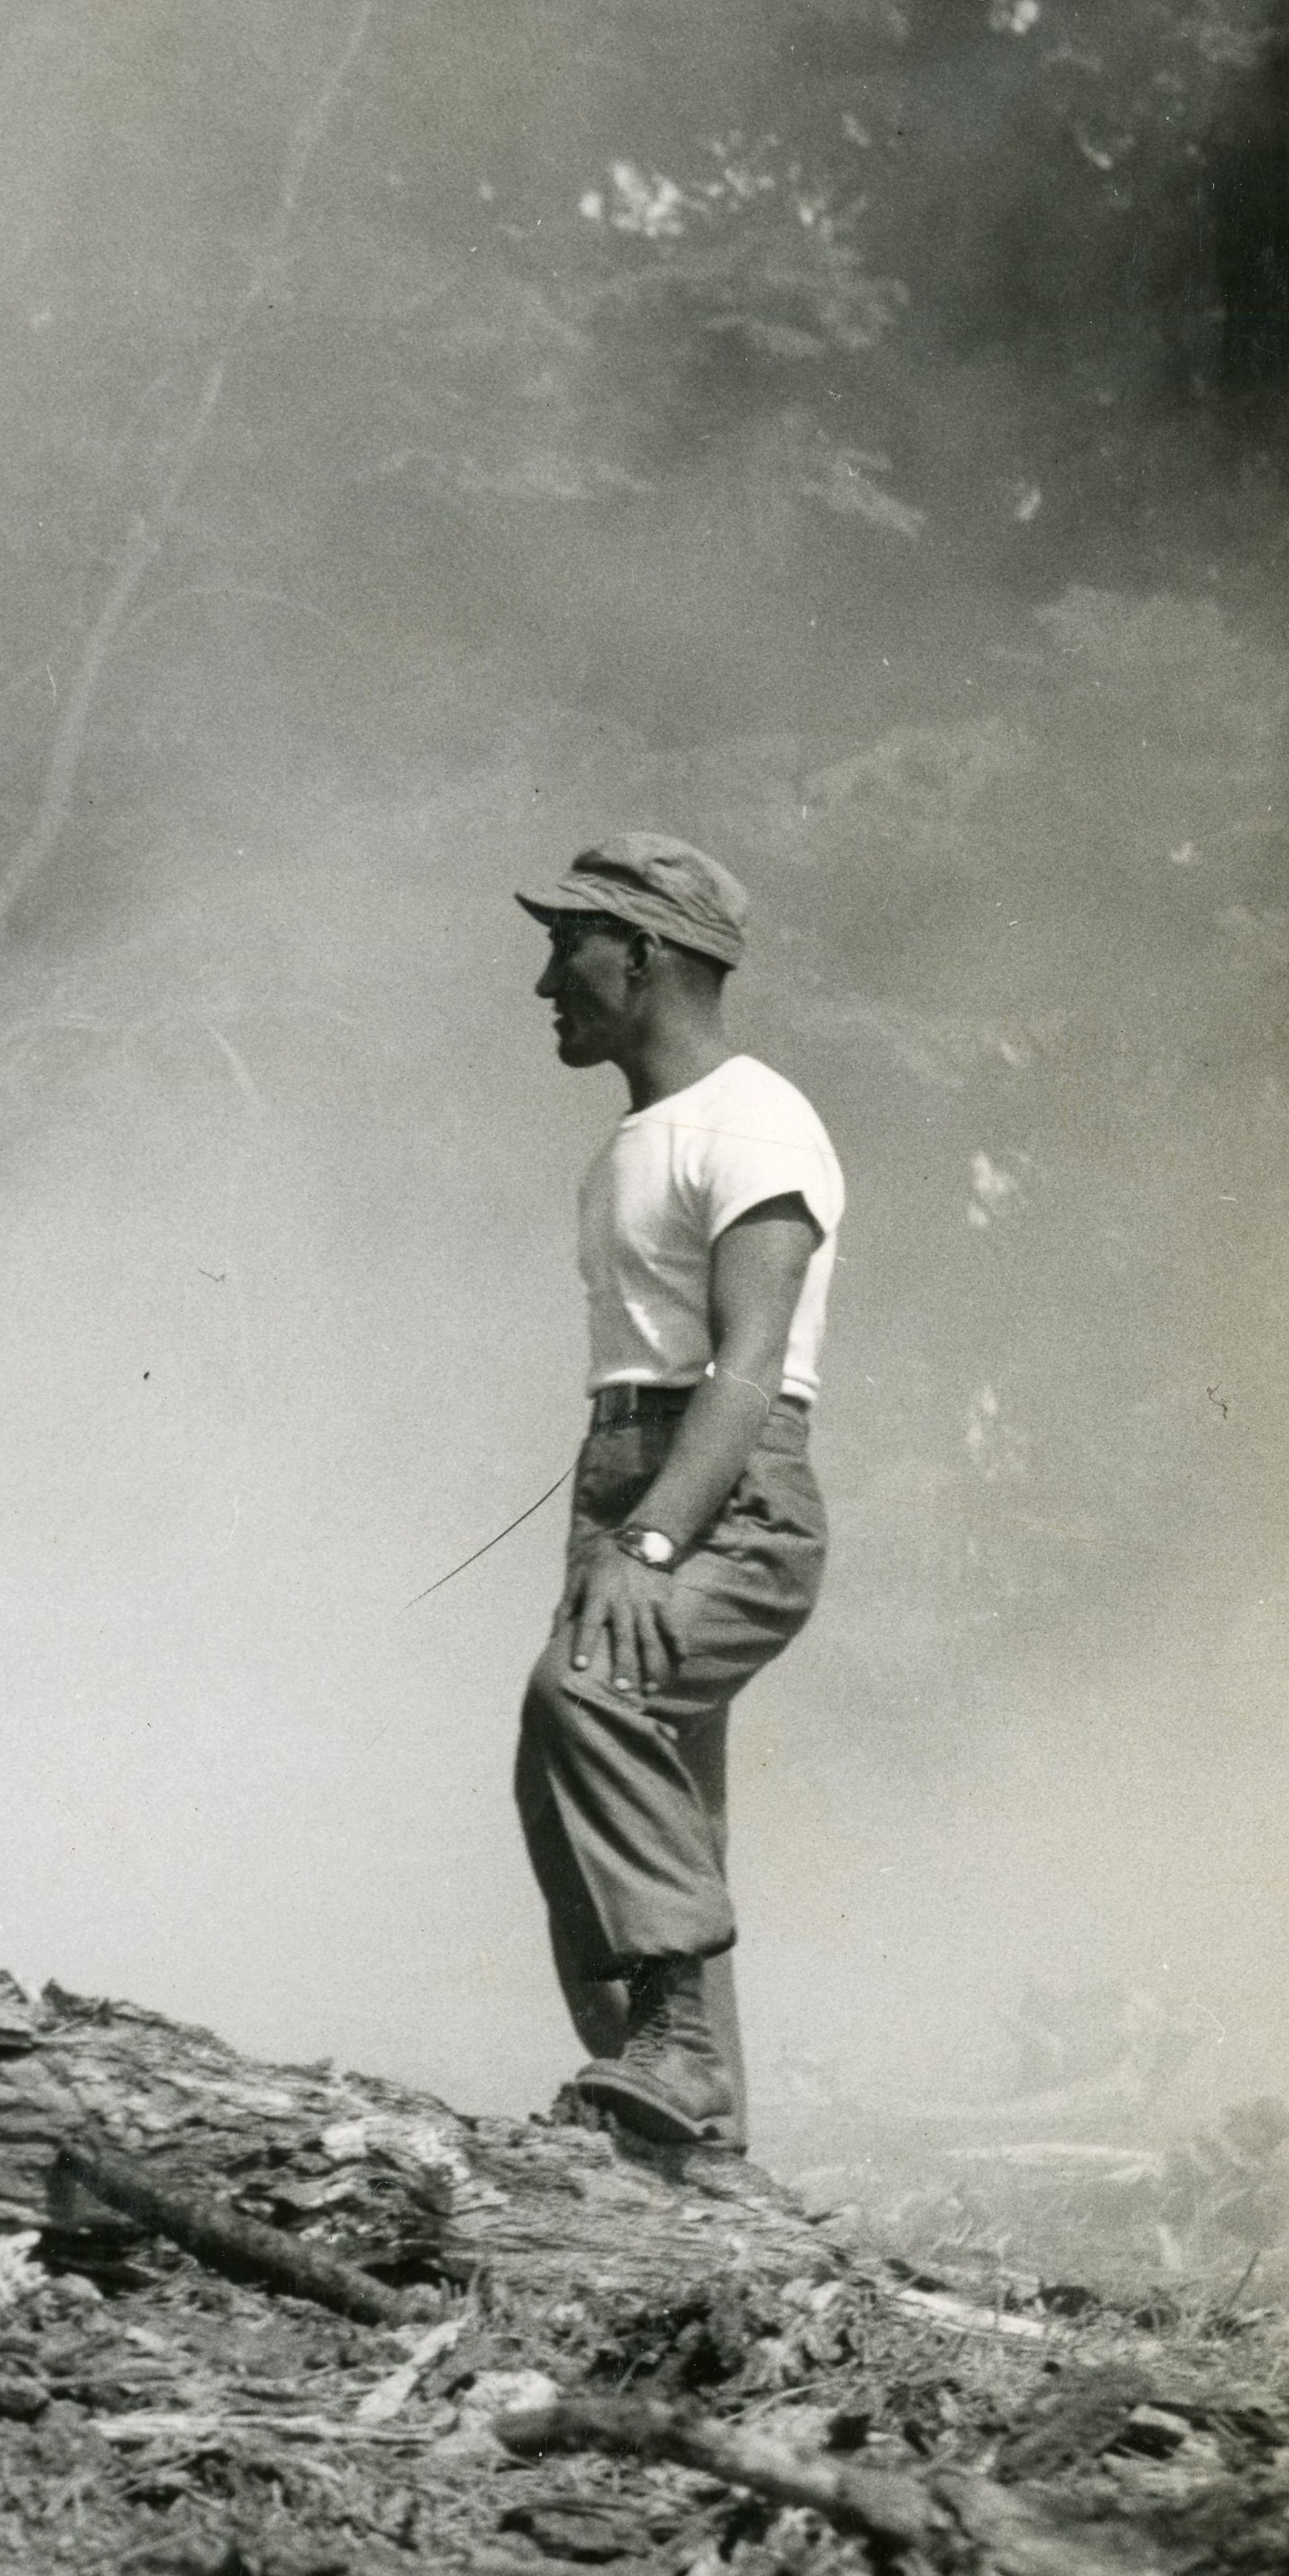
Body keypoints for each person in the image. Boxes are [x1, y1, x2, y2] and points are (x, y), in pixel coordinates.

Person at [508, 835, 839, 2155]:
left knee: (584, 1696)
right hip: (627, 1478)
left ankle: (678, 2072)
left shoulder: (755, 1119)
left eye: (564, 944)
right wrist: (616, 1515)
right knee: (595, 1795)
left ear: (639, 951)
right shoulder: (630, 1145)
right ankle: (685, 2157)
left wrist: (649, 1540)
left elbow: (750, 1367)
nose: (543, 980)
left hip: (720, 1495)